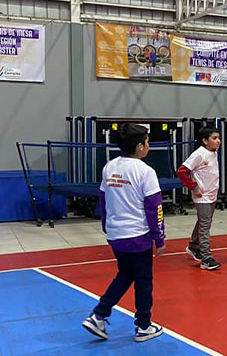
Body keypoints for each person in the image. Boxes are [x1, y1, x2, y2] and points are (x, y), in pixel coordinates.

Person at [82, 124, 165, 342]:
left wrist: (106, 226)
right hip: (138, 236)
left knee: (126, 274)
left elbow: (103, 198)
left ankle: (99, 315)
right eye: (147, 141)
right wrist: (159, 237)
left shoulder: (109, 167)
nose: (148, 145)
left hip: (116, 235)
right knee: (144, 280)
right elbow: (154, 207)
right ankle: (143, 326)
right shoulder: (146, 172)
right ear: (140, 146)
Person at [178, 126, 222, 270]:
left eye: (218, 138)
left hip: (212, 195)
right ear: (204, 141)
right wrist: (194, 187)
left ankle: (193, 246)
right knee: (205, 226)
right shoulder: (199, 154)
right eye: (214, 138)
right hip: (202, 196)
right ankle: (206, 258)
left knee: (205, 221)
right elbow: (182, 171)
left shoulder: (213, 152)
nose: (218, 141)